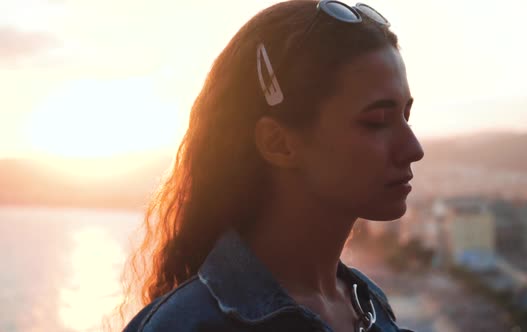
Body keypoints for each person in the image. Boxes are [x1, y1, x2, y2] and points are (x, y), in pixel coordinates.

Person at [121, 0, 423, 331]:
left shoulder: (370, 307)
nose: (413, 148)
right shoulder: (185, 326)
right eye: (377, 120)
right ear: (277, 143)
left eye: (405, 116)